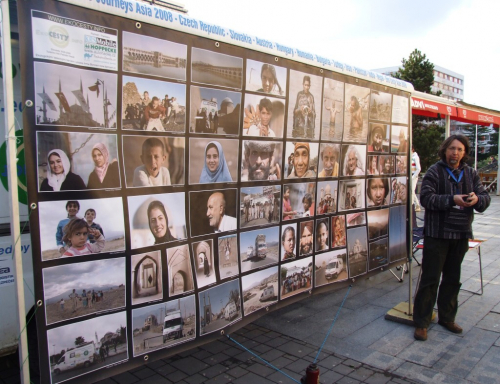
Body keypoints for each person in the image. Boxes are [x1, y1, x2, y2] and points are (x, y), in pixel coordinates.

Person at [412, 135, 490, 342]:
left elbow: (485, 199)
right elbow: (426, 198)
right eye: (452, 148)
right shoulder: (434, 172)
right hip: (437, 235)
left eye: (460, 149)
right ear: (445, 150)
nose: (455, 153)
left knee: (452, 279)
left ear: (464, 153)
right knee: (430, 279)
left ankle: (447, 317)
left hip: (461, 234)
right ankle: (421, 321)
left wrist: (476, 199)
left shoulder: (471, 173)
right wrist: (451, 199)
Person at [411, 146, 422, 211]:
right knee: (411, 191)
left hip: (413, 176)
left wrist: (413, 177)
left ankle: (413, 205)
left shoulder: (415, 157)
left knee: (412, 191)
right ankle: (417, 204)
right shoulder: (410, 156)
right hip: (410, 176)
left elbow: (418, 168)